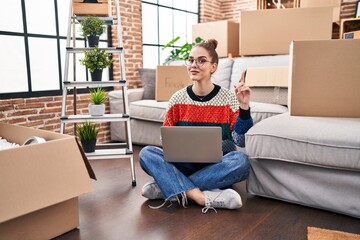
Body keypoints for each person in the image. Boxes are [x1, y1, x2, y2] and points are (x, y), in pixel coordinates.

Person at [139, 39, 253, 213]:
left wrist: (244, 108)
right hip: (183, 163)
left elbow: (240, 140)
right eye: (191, 60)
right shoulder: (177, 99)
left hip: (217, 166)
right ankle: (199, 196)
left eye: (201, 61)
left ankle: (168, 188)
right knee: (147, 153)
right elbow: (166, 139)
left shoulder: (229, 98)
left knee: (241, 161)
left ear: (213, 67)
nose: (194, 65)